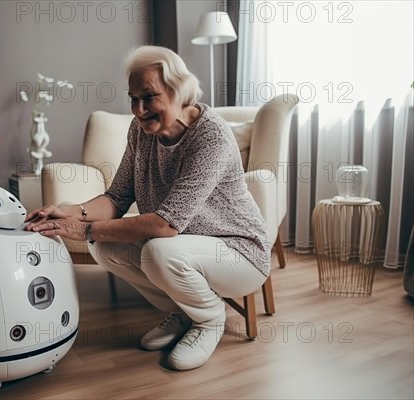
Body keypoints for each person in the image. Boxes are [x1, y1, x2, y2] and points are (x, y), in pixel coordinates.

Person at [25, 45, 271, 371]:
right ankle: (184, 312)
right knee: (104, 245)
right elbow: (116, 197)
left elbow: (166, 225)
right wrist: (69, 212)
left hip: (239, 252)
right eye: (133, 98)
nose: (139, 110)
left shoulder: (210, 136)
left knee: (157, 251)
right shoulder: (141, 131)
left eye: (149, 97)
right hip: (186, 248)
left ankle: (209, 319)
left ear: (178, 90)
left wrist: (83, 230)